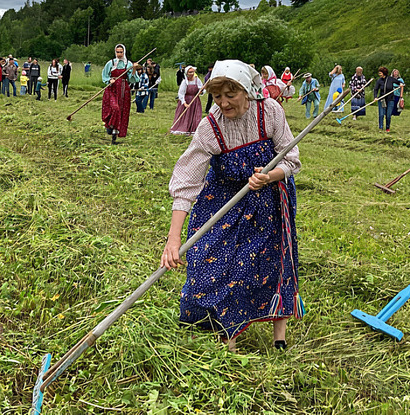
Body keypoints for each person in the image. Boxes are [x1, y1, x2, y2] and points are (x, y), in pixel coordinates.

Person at [161, 60, 303, 352]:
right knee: (207, 258)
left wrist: (268, 176)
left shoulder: (270, 112)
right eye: (217, 96)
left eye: (231, 94)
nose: (223, 102)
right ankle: (219, 328)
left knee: (267, 263)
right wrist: (174, 238)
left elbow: (292, 160)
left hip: (270, 202)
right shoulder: (210, 127)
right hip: (223, 199)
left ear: (247, 90)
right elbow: (187, 180)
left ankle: (271, 338)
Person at [102, 44, 140, 144]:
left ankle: (114, 135)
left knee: (121, 112)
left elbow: (133, 79)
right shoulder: (111, 63)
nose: (119, 54)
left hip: (124, 91)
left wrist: (134, 69)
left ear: (124, 52)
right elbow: (104, 75)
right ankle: (109, 126)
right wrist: (109, 80)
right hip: (112, 90)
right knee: (115, 108)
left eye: (121, 52)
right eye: (117, 52)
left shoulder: (128, 64)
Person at [171, 66, 203, 135]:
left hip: (195, 100)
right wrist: (184, 103)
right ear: (187, 73)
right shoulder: (185, 82)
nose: (192, 73)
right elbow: (181, 93)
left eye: (193, 72)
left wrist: (201, 91)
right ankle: (183, 128)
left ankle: (193, 129)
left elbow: (202, 88)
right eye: (190, 72)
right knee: (185, 115)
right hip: (186, 100)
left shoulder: (197, 80)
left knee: (195, 115)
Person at [374, 66, 397, 132]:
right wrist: (375, 97)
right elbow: (376, 89)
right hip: (382, 99)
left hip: (390, 99)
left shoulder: (390, 79)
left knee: (388, 115)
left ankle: (387, 128)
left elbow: (399, 82)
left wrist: (401, 84)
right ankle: (380, 127)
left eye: (380, 73)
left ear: (384, 73)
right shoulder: (379, 81)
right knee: (381, 114)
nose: (379, 74)